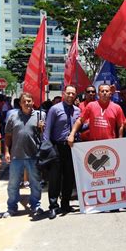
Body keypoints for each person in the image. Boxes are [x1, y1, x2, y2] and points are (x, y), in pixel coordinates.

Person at [3, 93, 45, 218]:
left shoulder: (40, 115)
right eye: (24, 101)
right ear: (20, 103)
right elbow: (8, 136)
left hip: (34, 155)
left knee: (35, 183)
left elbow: (45, 137)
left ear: (33, 102)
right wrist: (6, 151)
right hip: (16, 155)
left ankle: (35, 205)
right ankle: (12, 208)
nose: (27, 103)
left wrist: (42, 128)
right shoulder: (13, 117)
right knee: (13, 184)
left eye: (29, 101)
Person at [44, 85, 81, 219]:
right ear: (64, 93)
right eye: (69, 93)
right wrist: (47, 147)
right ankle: (53, 206)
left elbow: (80, 127)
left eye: (73, 94)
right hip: (57, 146)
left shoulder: (77, 110)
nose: (71, 96)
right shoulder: (55, 109)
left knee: (69, 177)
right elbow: (47, 130)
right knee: (55, 178)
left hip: (72, 147)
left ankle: (65, 204)